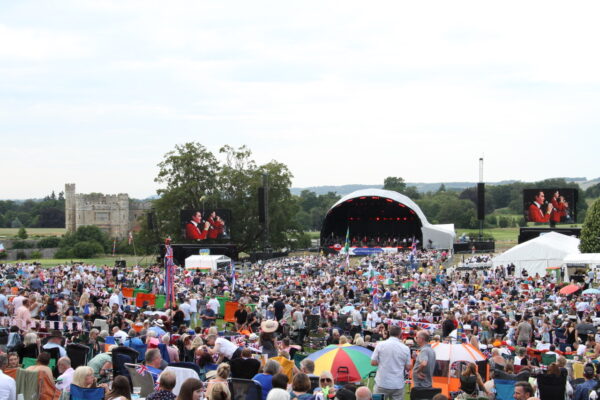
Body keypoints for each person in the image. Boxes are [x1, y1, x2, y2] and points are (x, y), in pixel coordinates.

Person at [370, 325, 411, 400]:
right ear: (400, 334)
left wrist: (383, 362)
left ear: (389, 333)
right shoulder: (405, 348)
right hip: (397, 383)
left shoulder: (380, 345)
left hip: (382, 382)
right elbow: (408, 367)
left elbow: (373, 362)